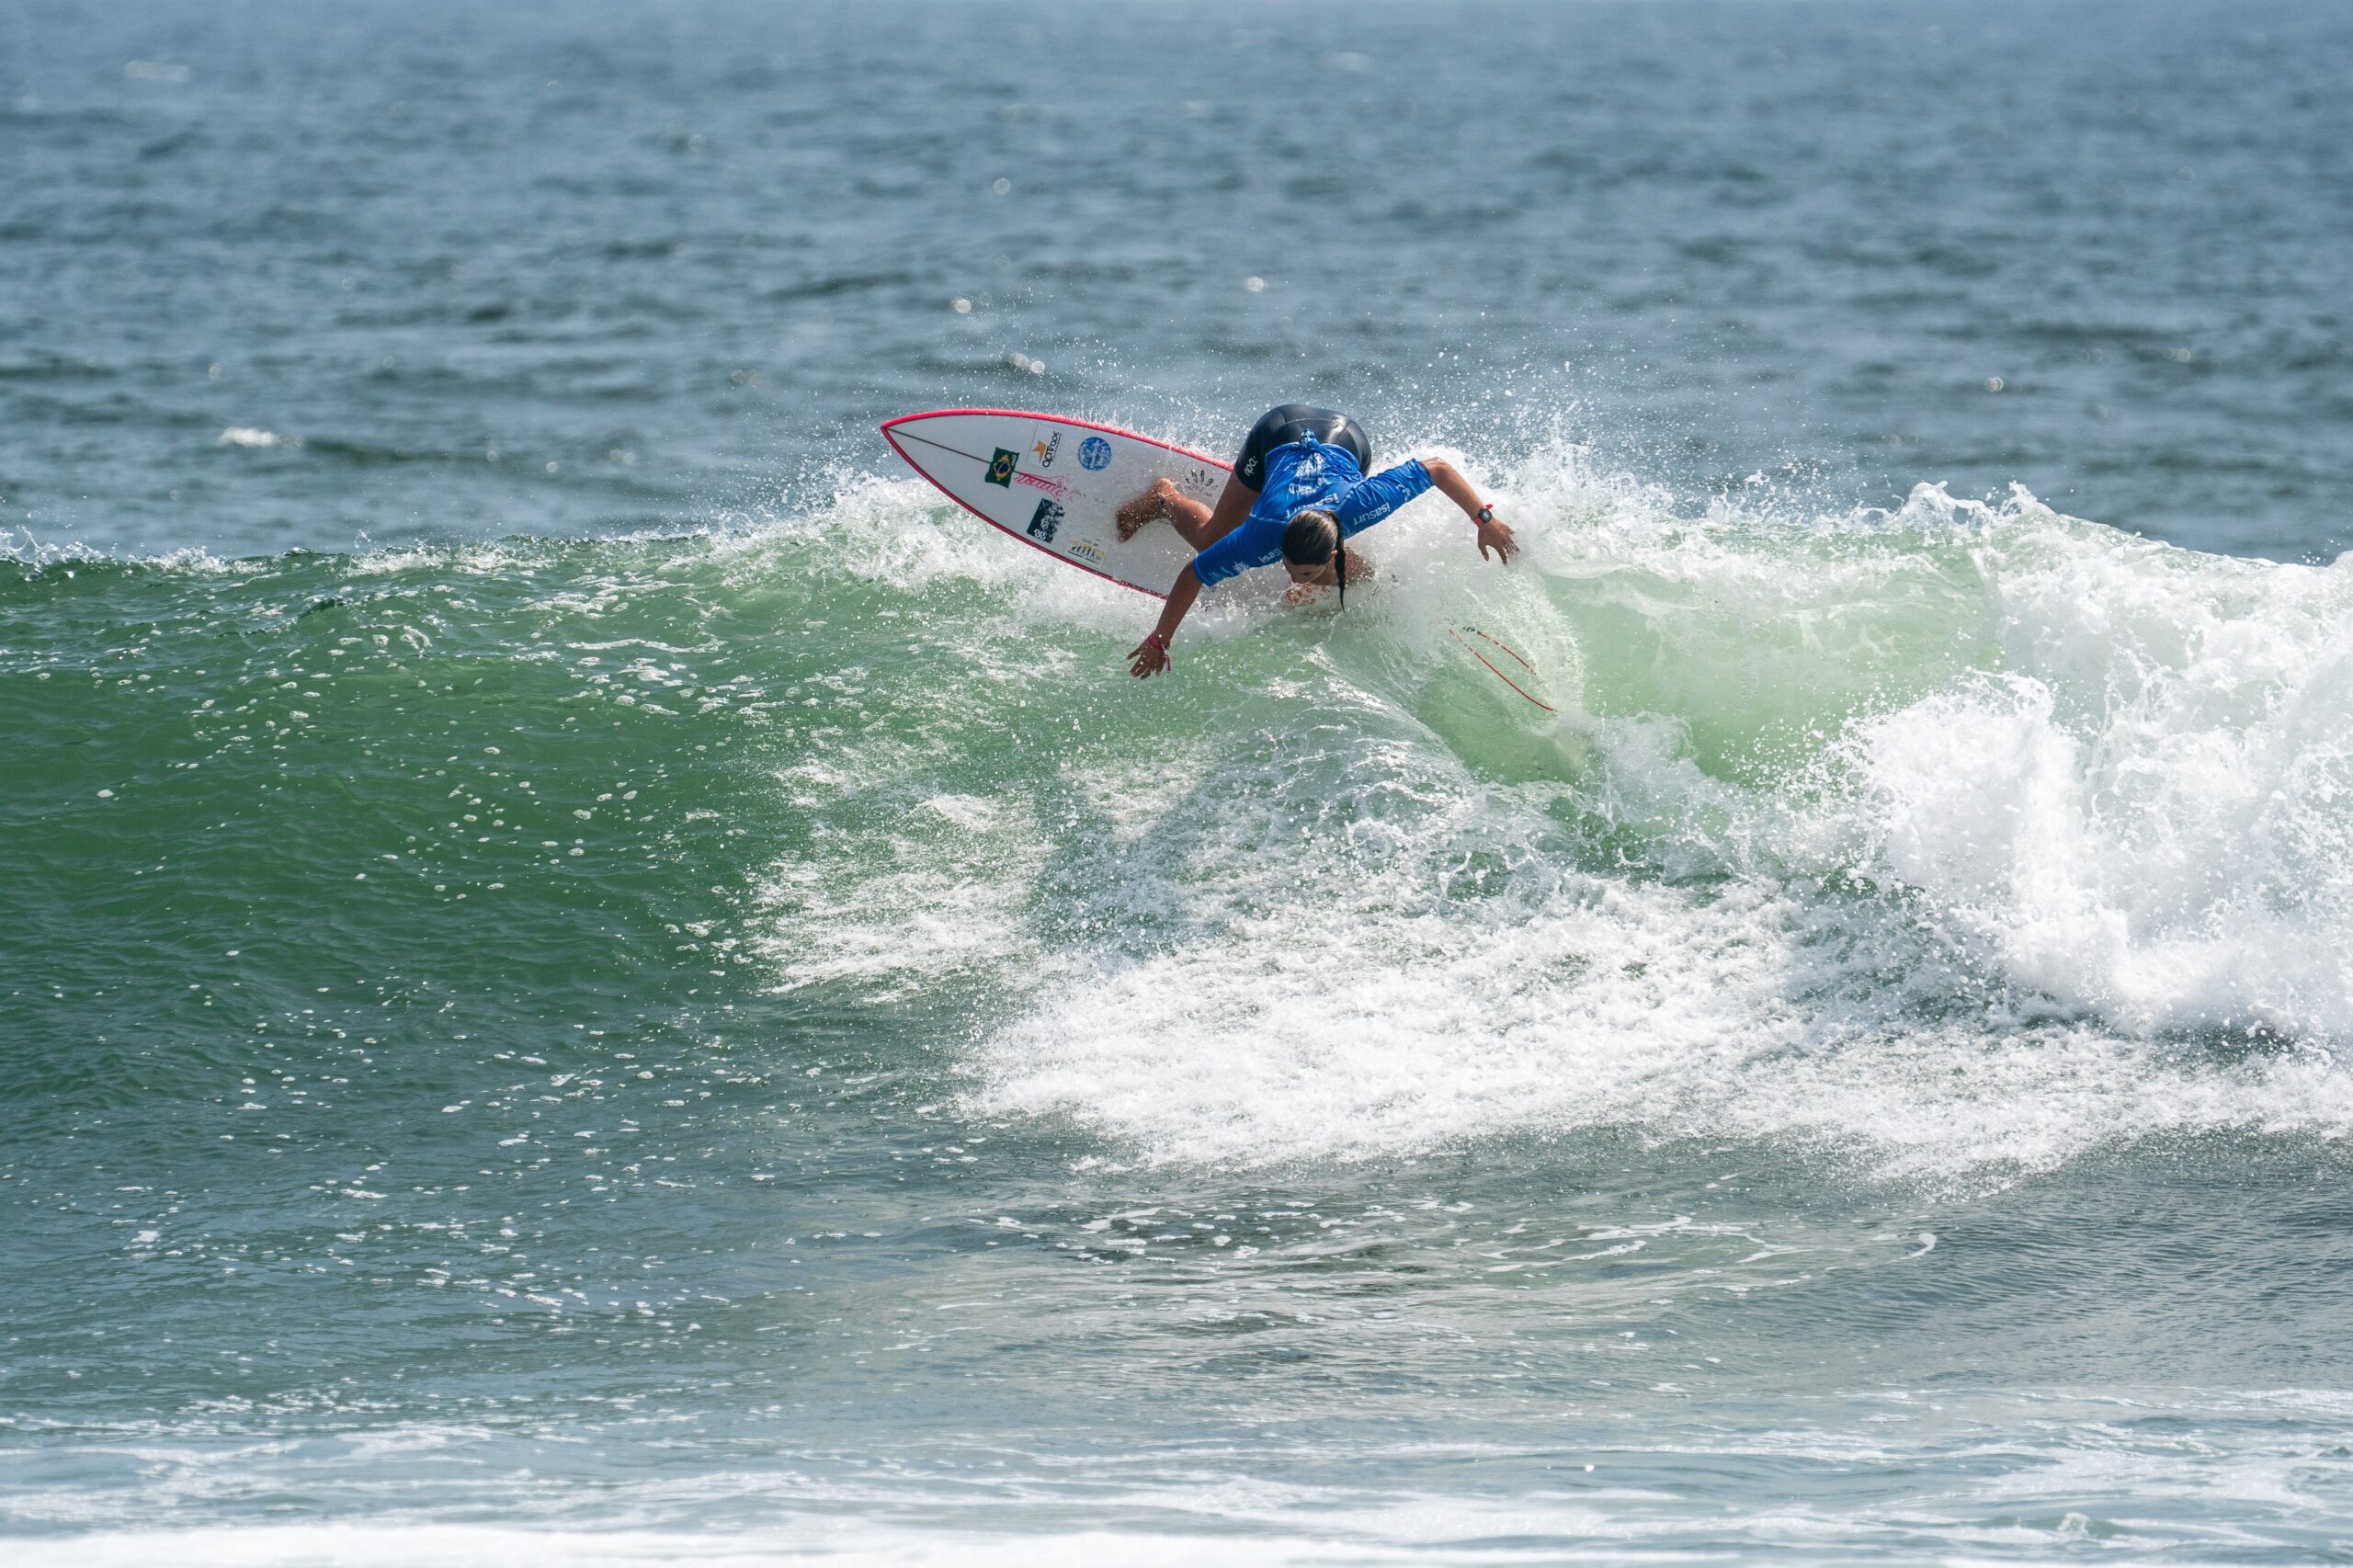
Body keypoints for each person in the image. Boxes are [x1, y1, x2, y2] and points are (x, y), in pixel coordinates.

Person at [1118, 403, 1518, 678]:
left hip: (1346, 438)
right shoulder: (1259, 537)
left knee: (1344, 577)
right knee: (1211, 541)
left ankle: (1324, 566)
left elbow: (1437, 469)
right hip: (1276, 431)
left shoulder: (1362, 504)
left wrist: (1485, 519)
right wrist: (1160, 638)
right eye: (1292, 570)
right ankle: (1164, 499)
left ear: (1333, 549)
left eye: (1303, 572)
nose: (1293, 578)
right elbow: (1195, 572)